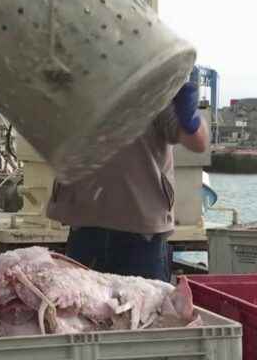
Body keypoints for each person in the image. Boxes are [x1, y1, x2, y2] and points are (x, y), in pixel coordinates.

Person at [46, 82, 209, 282]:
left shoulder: (153, 82)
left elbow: (197, 142)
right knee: (77, 311)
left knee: (147, 311)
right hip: (84, 226)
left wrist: (189, 118)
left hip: (142, 234)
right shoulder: (75, 82)